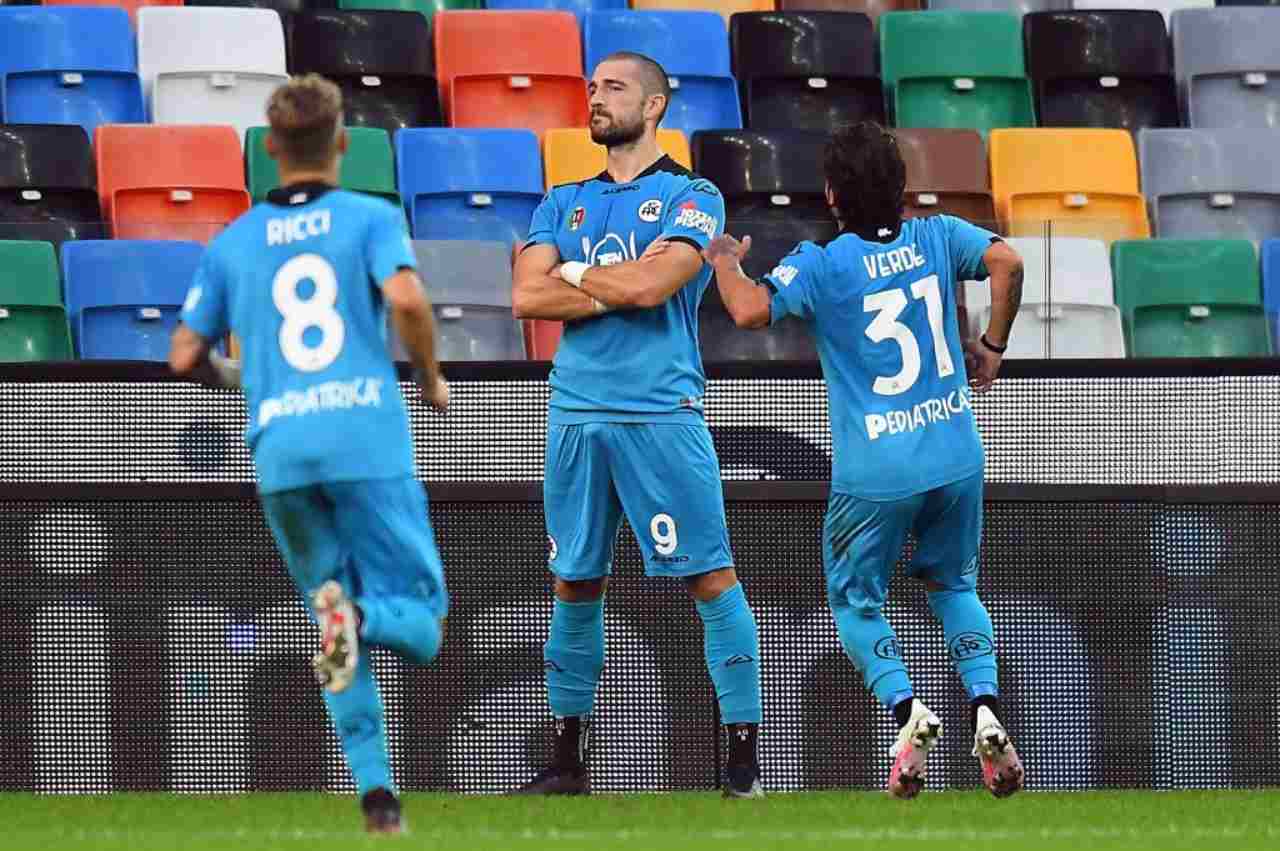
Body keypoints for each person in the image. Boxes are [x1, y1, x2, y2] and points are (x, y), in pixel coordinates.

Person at [697, 121, 1026, 800]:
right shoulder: (938, 235)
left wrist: (724, 259)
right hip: (955, 450)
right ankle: (985, 707)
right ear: (903, 188)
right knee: (956, 586)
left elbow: (751, 310)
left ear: (830, 193)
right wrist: (991, 345)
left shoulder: (824, 262)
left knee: (854, 600)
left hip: (875, 470)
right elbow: (1009, 262)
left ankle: (908, 711)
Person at [168, 74, 450, 833]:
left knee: (327, 615)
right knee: (420, 617)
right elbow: (410, 300)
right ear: (342, 143)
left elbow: (185, 351)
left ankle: (377, 793)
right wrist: (429, 377)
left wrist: (242, 376)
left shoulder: (232, 241)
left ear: (270, 150)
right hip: (364, 438)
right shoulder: (368, 216)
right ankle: (360, 615)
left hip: (282, 450)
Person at [510, 51, 764, 798]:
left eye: (613, 88)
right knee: (573, 581)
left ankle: (743, 762)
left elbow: (657, 286)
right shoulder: (561, 199)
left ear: (654, 106)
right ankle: (564, 764)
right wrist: (611, 287)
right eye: (591, 87)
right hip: (576, 413)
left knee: (711, 577)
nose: (595, 98)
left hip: (660, 411)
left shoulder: (694, 195)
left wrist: (576, 274)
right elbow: (526, 299)